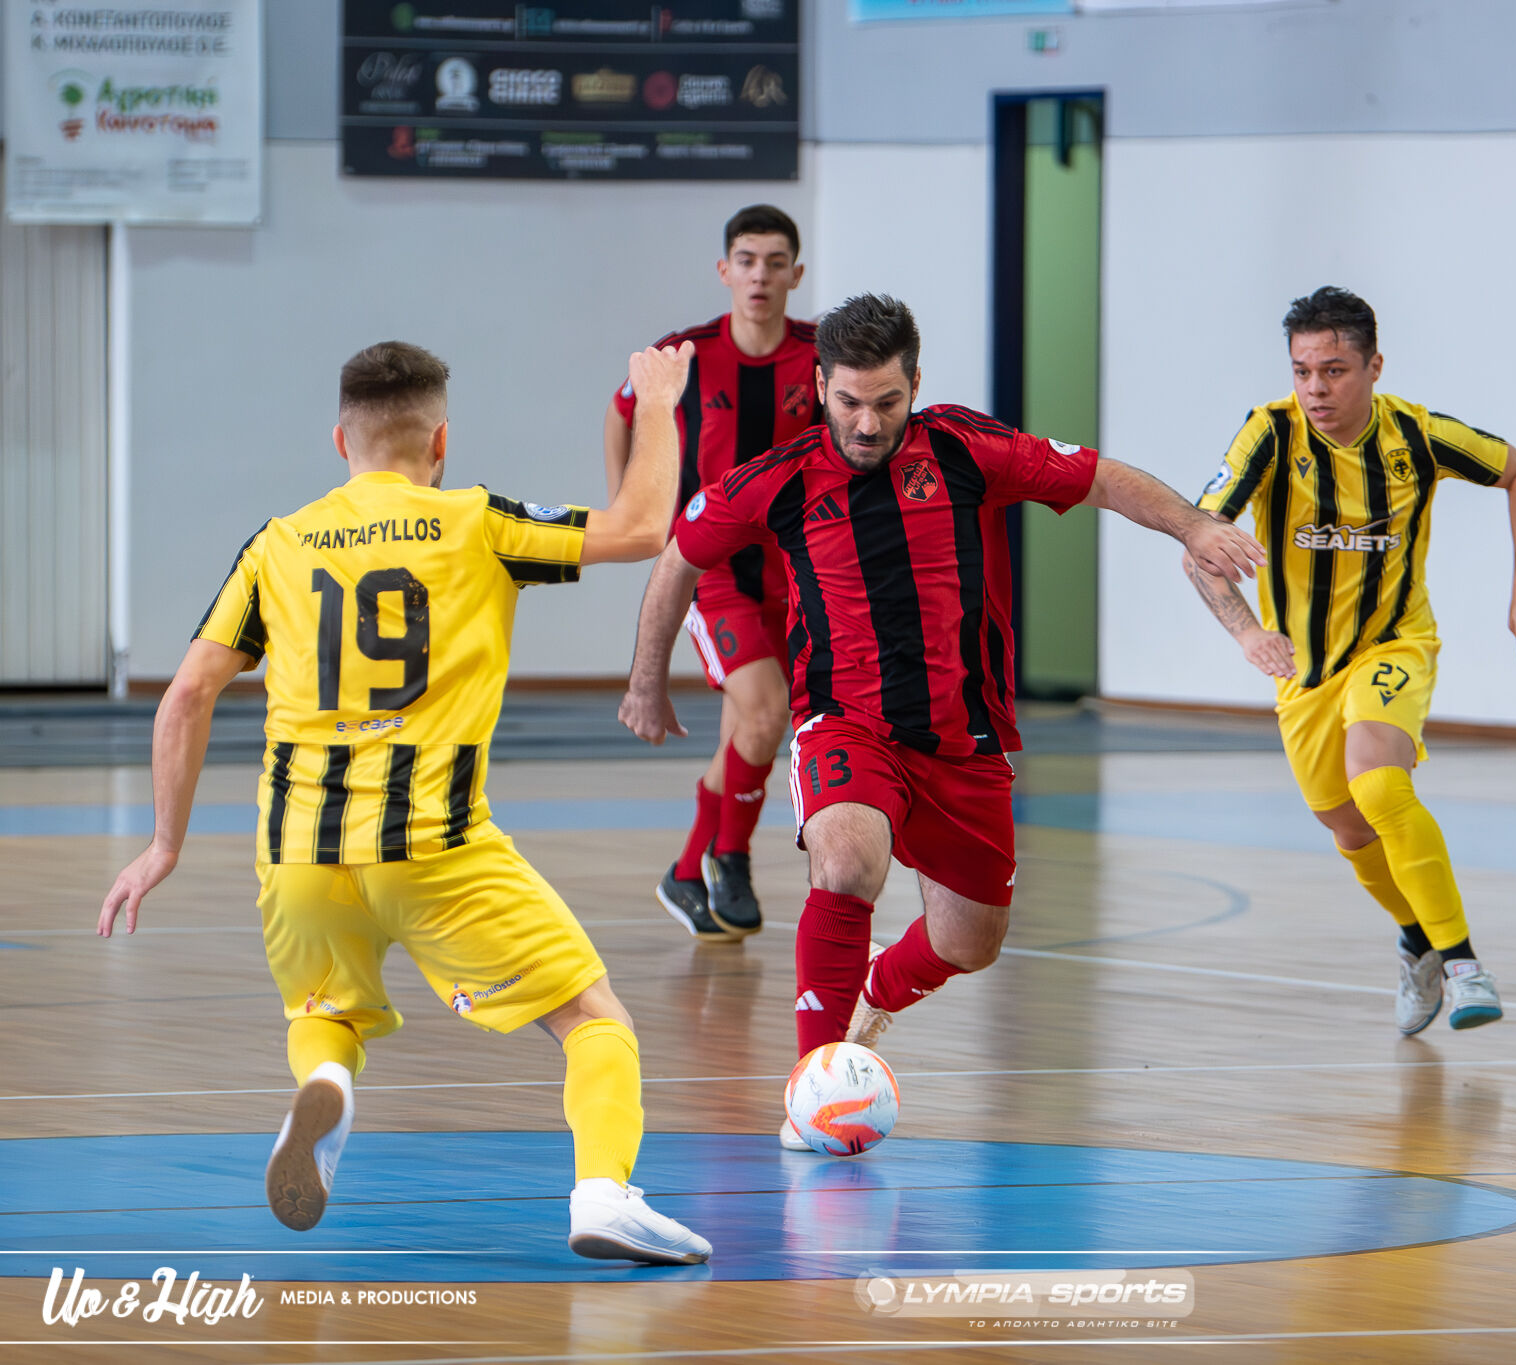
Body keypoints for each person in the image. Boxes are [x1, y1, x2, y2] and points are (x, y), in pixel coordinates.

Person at [97, 340, 713, 1264]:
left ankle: (331, 1087)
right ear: (443, 442)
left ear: (340, 439)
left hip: (298, 851)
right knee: (594, 1018)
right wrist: (661, 400)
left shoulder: (278, 542)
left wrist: (162, 845)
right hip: (435, 847)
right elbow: (640, 526)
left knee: (326, 1009)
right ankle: (604, 1194)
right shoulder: (476, 522)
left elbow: (187, 693)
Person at [618, 293, 1265, 1148]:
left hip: (966, 737)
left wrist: (1193, 524)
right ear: (820, 388)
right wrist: (646, 680)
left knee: (971, 940)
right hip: (844, 719)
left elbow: (1100, 476)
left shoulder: (965, 447)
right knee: (847, 860)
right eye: (849, 401)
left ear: (915, 384)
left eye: (887, 401)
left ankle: (872, 1007)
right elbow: (678, 557)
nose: (866, 420)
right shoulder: (778, 479)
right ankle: (814, 1086)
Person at [1184, 286, 1516, 1035]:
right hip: (1303, 670)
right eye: (1303, 371)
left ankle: (1462, 962)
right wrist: (1247, 632)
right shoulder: (1270, 434)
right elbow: (1199, 540)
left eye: (1335, 369)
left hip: (1394, 643)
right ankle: (1417, 938)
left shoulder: (1416, 434)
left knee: (1381, 783)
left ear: (1374, 366)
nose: (1316, 388)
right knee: (1349, 829)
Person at [605, 204, 820, 940]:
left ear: (797, 272)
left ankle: (688, 868)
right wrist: (631, 503)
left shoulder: (823, 356)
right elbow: (620, 410)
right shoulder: (685, 355)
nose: (760, 274)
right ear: (724, 271)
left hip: (795, 573)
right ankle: (729, 853)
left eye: (775, 261)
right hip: (715, 571)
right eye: (746, 259)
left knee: (748, 728)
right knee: (765, 713)